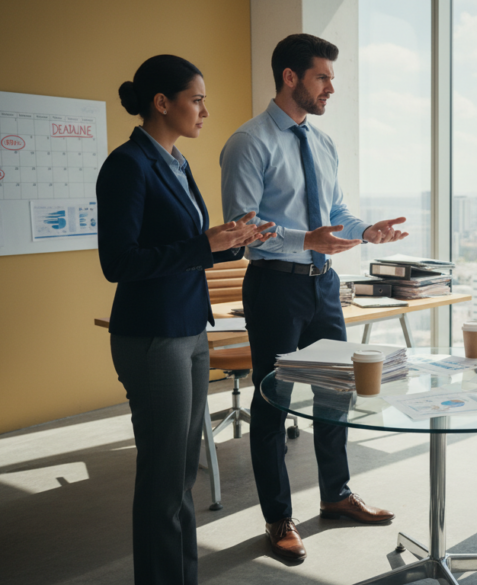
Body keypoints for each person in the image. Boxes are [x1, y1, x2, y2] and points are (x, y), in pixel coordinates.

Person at [220, 33, 407, 563]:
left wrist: (366, 231)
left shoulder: (322, 143)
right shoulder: (248, 142)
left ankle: (336, 494)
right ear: (290, 77)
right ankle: (278, 517)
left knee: (334, 394)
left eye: (331, 77)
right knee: (272, 402)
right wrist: (306, 239)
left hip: (323, 284)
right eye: (322, 77)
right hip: (274, 285)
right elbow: (243, 228)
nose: (331, 88)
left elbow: (336, 213)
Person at [97, 55, 273, 585]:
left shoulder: (176, 162)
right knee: (164, 474)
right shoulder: (127, 165)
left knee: (179, 474)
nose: (204, 111)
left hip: (190, 329)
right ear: (162, 103)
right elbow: (118, 262)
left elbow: (190, 247)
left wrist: (233, 242)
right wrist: (202, 245)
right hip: (153, 335)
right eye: (196, 100)